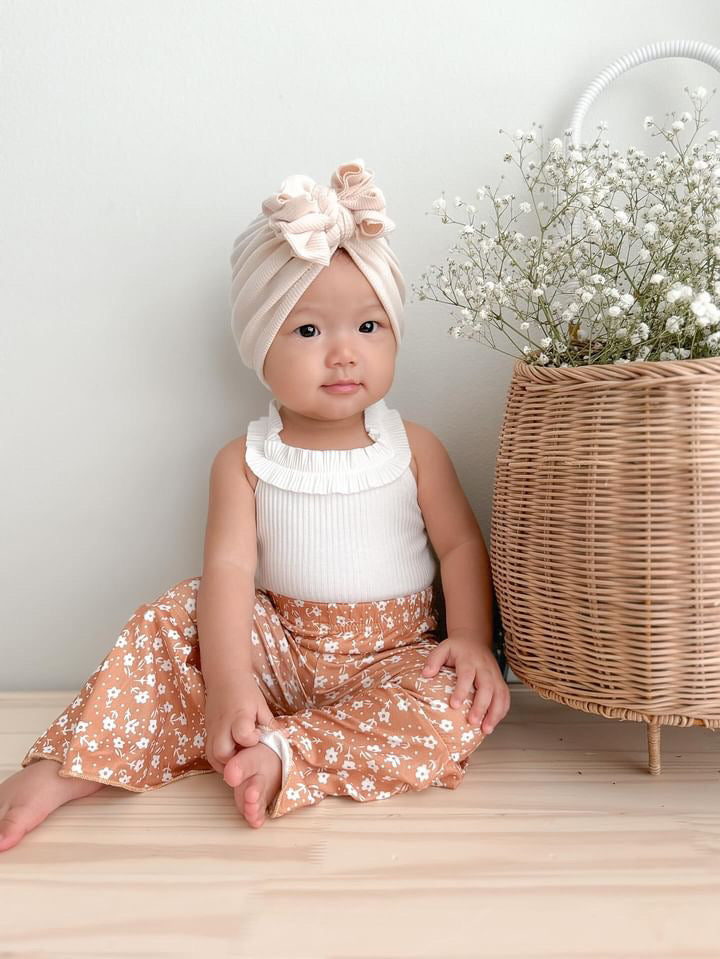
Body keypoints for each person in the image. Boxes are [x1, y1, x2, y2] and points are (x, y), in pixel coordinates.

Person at [0, 159, 510, 852]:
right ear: (257, 343)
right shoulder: (243, 460)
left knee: (458, 711)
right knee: (173, 616)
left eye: (368, 326)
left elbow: (458, 547)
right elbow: (231, 575)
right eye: (307, 331)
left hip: (393, 658)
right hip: (278, 648)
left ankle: (284, 752)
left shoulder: (413, 446)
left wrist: (474, 641)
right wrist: (231, 683)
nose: (342, 354)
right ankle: (70, 765)